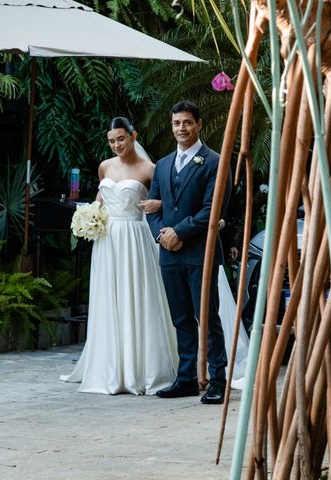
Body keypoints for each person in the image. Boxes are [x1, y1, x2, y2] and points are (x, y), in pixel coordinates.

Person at [60, 117, 179, 395]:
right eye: (112, 141)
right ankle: (109, 365)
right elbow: (102, 200)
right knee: (108, 298)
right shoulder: (105, 167)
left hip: (135, 238)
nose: (117, 145)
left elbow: (167, 202)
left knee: (137, 297)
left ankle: (142, 367)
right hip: (107, 241)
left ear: (133, 136)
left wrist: (157, 204)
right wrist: (88, 217)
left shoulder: (150, 169)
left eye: (121, 139)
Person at [146, 99, 232, 404]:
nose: (181, 128)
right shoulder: (163, 164)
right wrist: (162, 235)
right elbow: (152, 207)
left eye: (186, 122)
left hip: (201, 252)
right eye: (176, 123)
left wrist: (179, 233)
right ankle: (185, 379)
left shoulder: (214, 163)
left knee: (207, 317)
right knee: (180, 318)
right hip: (169, 254)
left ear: (199, 125)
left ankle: (217, 379)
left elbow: (213, 209)